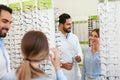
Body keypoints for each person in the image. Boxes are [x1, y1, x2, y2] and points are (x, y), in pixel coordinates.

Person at [57, 13, 83, 80]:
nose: (70, 26)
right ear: (61, 25)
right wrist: (62, 65)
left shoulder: (74, 37)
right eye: (68, 24)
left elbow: (79, 51)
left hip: (75, 73)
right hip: (63, 74)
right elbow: (51, 59)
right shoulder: (55, 39)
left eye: (71, 24)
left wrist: (79, 57)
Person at [0, 4, 14, 80]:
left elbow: (4, 72)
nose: (8, 27)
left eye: (10, 23)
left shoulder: (1, 43)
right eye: (5, 21)